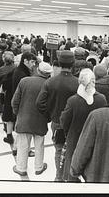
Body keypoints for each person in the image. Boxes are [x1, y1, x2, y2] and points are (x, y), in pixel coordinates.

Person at [36, 50, 79, 182]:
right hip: (74, 123)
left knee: (59, 150)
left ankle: (59, 177)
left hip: (57, 122)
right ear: (73, 64)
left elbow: (39, 103)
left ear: (59, 63)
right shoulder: (78, 83)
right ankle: (70, 176)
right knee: (73, 149)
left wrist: (49, 115)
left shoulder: (50, 82)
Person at [60, 69, 107, 181]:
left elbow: (64, 121)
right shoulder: (101, 99)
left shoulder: (73, 101)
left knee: (73, 174)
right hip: (95, 140)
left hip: (75, 139)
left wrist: (68, 133)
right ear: (93, 81)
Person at [11, 62, 53, 176]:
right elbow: (50, 105)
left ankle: (21, 168)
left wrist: (17, 113)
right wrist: (48, 118)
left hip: (24, 118)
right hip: (41, 119)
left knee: (23, 144)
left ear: (38, 70)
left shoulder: (24, 81)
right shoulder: (50, 85)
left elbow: (15, 101)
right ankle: (39, 167)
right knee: (39, 144)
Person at [0, 51, 16, 139]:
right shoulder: (16, 67)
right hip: (13, 91)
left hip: (3, 92)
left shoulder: (0, 70)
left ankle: (7, 126)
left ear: (3, 59)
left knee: (4, 109)